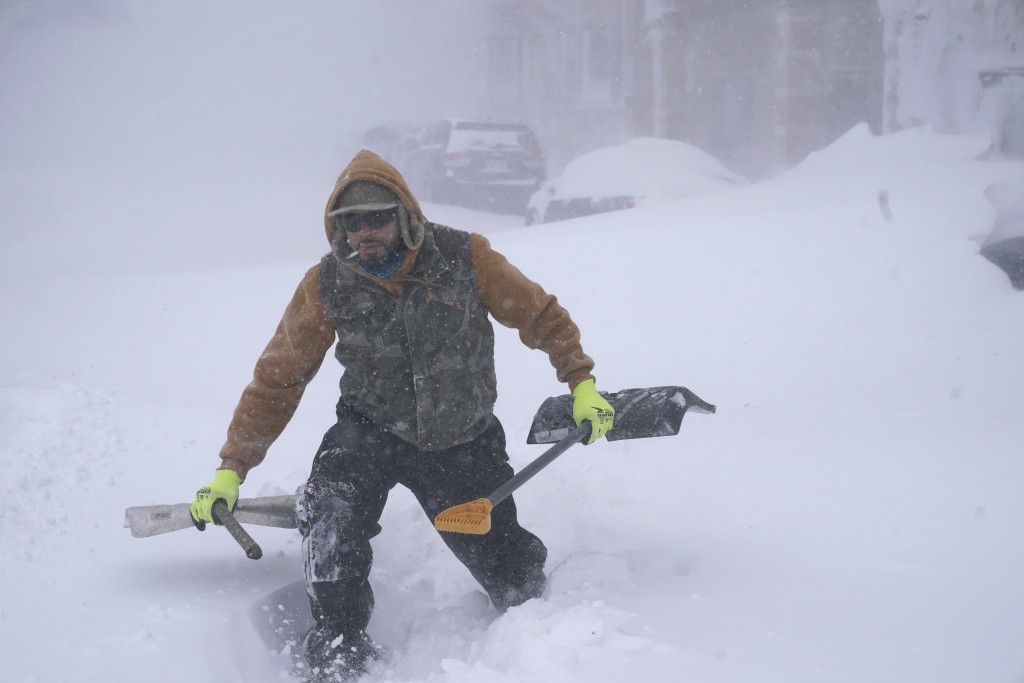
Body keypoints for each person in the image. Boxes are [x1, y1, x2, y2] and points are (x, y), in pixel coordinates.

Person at [189, 150, 615, 681]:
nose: (364, 233)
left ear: (405, 214)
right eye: (350, 223)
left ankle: (532, 615)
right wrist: (232, 467)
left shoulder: (465, 256)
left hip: (461, 438)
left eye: (377, 217)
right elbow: (278, 378)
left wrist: (581, 384)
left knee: (509, 576)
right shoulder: (326, 282)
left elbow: (541, 315)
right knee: (332, 516)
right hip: (367, 430)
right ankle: (339, 643)